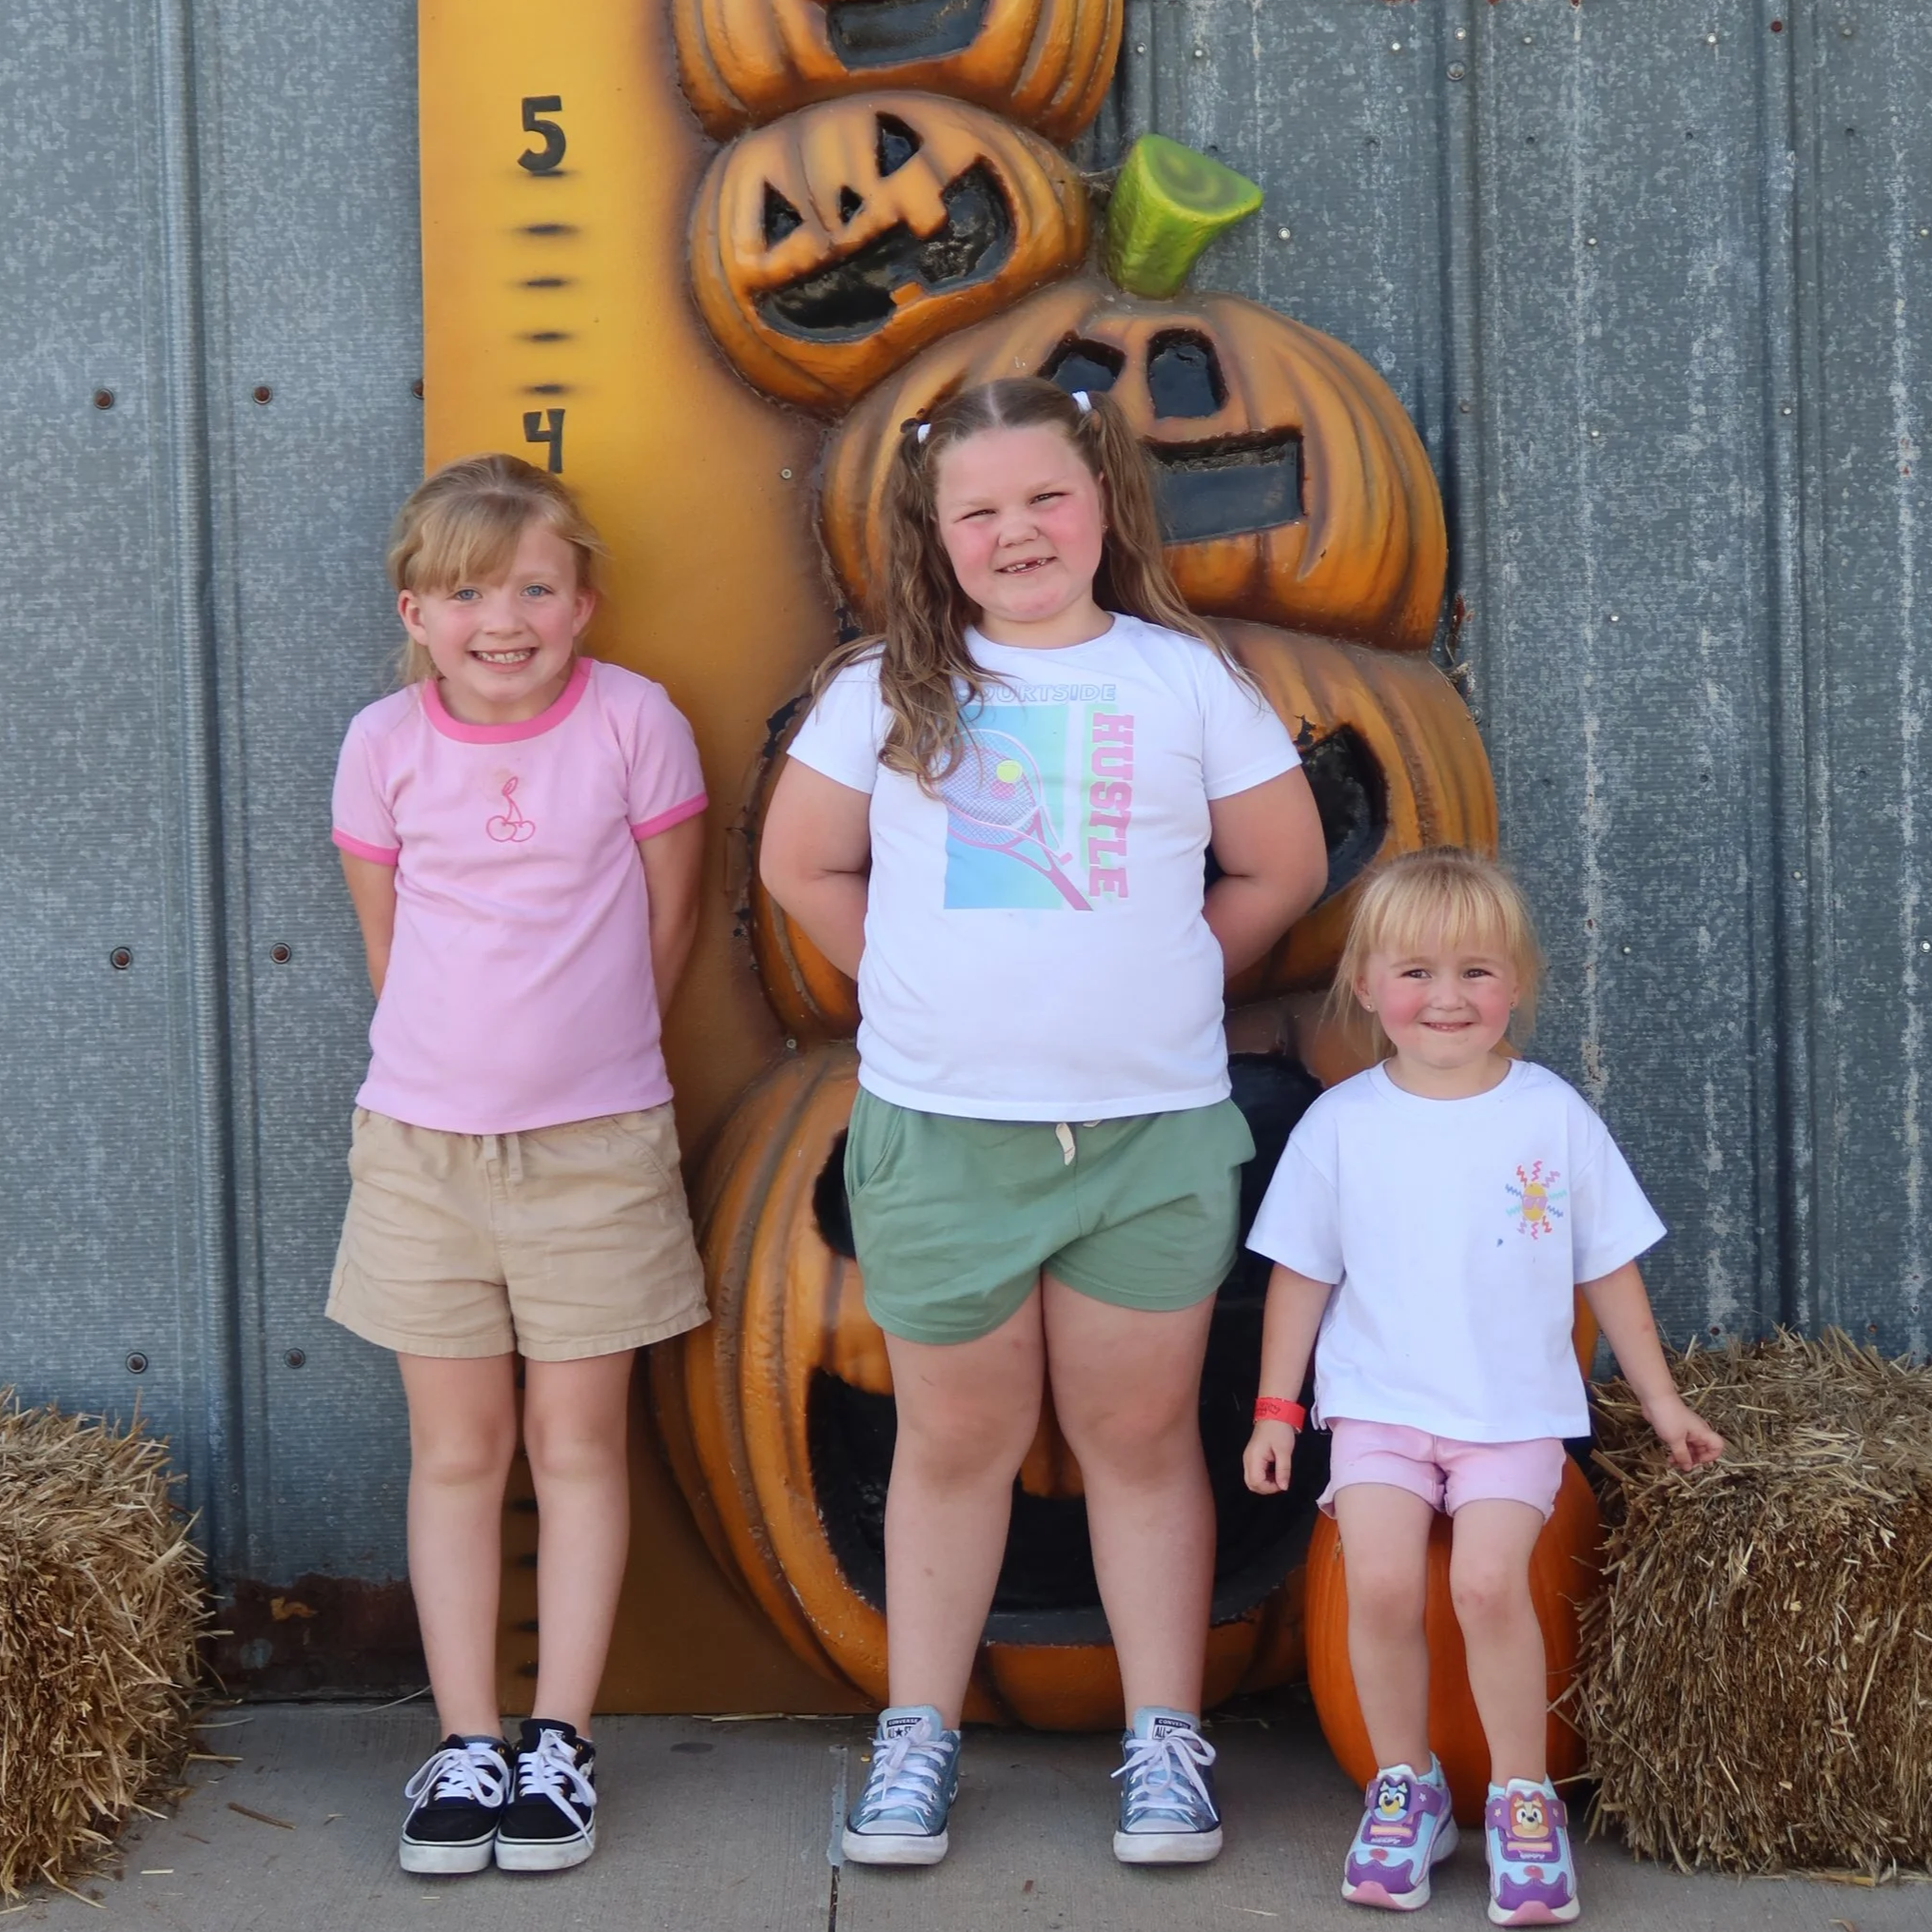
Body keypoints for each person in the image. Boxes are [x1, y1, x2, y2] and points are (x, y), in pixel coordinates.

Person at [760, 377, 1328, 1866]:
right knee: (956, 1438)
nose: (1015, 531)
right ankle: (917, 1731)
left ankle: (1164, 1738)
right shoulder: (881, 687)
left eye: (1043, 497)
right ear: (932, 532)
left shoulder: (1180, 680)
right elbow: (800, 863)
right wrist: (911, 978)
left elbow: (1277, 863)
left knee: (1138, 1435)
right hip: (947, 1134)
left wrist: (1173, 969)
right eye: (978, 510)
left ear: (1103, 506)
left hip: (1145, 1138)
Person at [327, 454, 711, 1875]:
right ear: (417, 613)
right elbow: (387, 939)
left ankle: (559, 1741)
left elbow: (668, 921)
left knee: (578, 1444)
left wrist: (583, 1060)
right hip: (422, 1151)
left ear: (583, 604)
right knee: (458, 1450)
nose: (505, 620)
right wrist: (460, 1070)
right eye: (469, 593)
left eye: (536, 589)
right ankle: (467, 1740)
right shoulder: (383, 743)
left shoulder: (633, 721)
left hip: (596, 1149)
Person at [1241, 848, 1725, 1923]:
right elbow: (1299, 1277)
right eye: (1415, 972)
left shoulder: (1549, 1116)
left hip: (1509, 1415)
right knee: (1377, 1583)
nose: (1446, 997)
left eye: (1475, 971)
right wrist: (1278, 1408)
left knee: (1489, 1585)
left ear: (1517, 983)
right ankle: (1404, 1787)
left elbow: (1609, 1269)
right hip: (1379, 1410)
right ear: (1365, 983)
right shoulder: (1341, 1124)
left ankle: (1520, 1796)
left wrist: (1661, 1403)